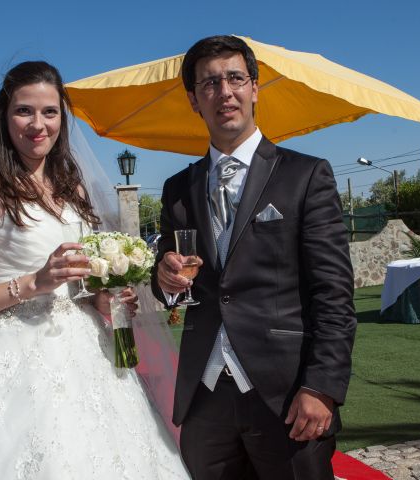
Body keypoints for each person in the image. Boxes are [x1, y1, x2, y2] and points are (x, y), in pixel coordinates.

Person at [0, 61, 189, 479]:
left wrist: (107, 294)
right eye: (24, 111)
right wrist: (33, 283)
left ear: (63, 117)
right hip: (9, 364)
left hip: (89, 356)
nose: (38, 124)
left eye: (50, 112)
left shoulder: (73, 189)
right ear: (4, 116)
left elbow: (79, 284)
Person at [152, 35, 356, 479]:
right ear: (194, 100)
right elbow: (167, 282)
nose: (224, 92)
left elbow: (334, 294)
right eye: (209, 83)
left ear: (255, 88)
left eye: (235, 78)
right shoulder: (177, 189)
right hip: (204, 401)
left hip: (286, 397)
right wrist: (164, 279)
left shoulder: (305, 175)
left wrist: (321, 386)